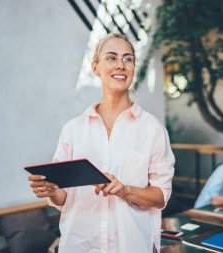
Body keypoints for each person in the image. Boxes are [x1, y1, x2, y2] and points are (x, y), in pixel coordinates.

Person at [28, 33, 175, 253]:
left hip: (131, 246)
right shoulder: (73, 130)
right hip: (80, 245)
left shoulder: (152, 129)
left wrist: (125, 190)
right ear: (95, 68)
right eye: (111, 58)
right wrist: (50, 190)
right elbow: (62, 196)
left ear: (133, 68)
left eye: (128, 59)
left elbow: (160, 196)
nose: (120, 65)